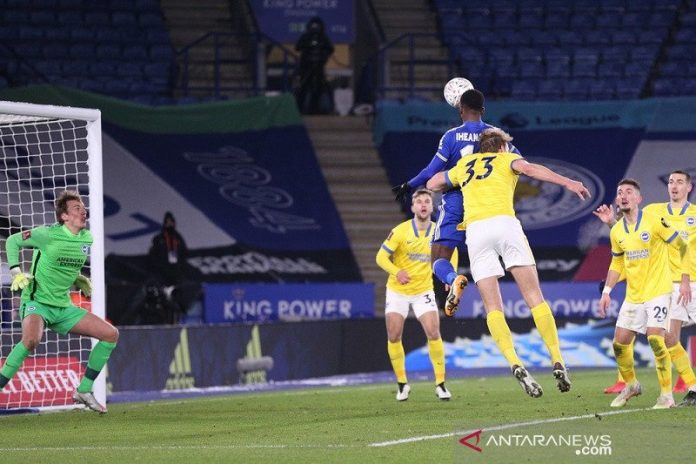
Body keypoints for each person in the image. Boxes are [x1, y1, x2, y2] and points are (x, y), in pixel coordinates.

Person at [426, 128, 590, 397]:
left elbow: (433, 183)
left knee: (493, 307)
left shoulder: (465, 164)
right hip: (505, 225)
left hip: (476, 232)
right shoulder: (506, 159)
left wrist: (454, 182)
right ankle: (557, 359)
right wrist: (568, 183)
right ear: (502, 147)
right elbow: (532, 170)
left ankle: (515, 362)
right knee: (535, 297)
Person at [391, 89, 523, 314]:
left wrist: (408, 185)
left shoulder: (451, 136)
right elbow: (519, 163)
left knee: (438, 258)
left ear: (460, 110)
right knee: (488, 262)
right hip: (484, 206)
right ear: (483, 110)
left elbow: (430, 171)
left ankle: (451, 282)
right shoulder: (495, 136)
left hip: (455, 202)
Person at [0, 190, 118, 413]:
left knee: (110, 334)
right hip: (38, 302)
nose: (83, 211)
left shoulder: (86, 238)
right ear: (64, 216)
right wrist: (16, 272)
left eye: (83, 207)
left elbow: (62, 264)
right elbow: (14, 241)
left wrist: (77, 278)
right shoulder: (47, 234)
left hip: (63, 307)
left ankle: (84, 389)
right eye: (76, 208)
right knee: (31, 340)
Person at [595, 171, 696, 406]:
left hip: (689, 281)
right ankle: (689, 387)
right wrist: (612, 222)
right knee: (668, 338)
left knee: (665, 338)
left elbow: (681, 247)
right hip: (665, 282)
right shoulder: (653, 212)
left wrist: (685, 277)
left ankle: (676, 391)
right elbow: (631, 235)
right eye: (671, 181)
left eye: (680, 182)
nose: (674, 186)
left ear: (689, 188)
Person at [375, 189, 457, 401]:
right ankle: (402, 384)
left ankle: (440, 384)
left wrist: (450, 277)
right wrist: (396, 271)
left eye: (427, 201)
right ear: (412, 208)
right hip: (397, 291)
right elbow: (381, 257)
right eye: (418, 201)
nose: (422, 205)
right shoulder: (401, 231)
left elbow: (452, 252)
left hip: (423, 290)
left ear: (432, 207)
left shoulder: (439, 232)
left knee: (433, 333)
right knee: (393, 335)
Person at [147, 211, 199, 324]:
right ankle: (165, 321)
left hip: (176, 274)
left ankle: (176, 321)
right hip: (163, 274)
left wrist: (180, 268)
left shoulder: (178, 238)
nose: (170, 224)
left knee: (177, 299)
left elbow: (184, 254)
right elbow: (153, 256)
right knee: (164, 300)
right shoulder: (159, 239)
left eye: (171, 222)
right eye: (168, 222)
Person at [294, 16, 334, 115]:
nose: (315, 28)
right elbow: (298, 47)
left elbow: (330, 49)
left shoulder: (323, 37)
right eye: (313, 26)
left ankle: (319, 109)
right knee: (303, 88)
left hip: (319, 67)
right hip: (306, 67)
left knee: (320, 88)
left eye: (317, 26)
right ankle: (299, 109)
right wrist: (307, 48)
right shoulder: (306, 37)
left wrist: (323, 56)